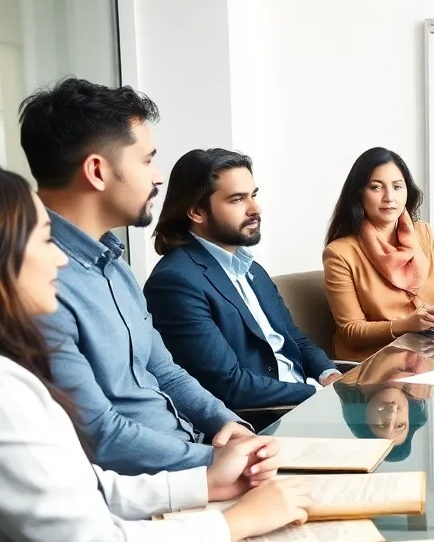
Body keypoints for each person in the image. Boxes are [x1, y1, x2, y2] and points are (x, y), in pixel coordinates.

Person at [0, 162, 311, 542]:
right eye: (43, 239)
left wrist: (205, 484)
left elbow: (88, 489)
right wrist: (233, 523)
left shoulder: (7, 369)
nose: (58, 258)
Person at [18, 78, 252, 474]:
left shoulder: (115, 265)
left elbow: (164, 371)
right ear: (97, 171)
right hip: (153, 490)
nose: (158, 177)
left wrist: (228, 423)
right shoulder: (36, 282)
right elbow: (100, 436)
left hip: (195, 458)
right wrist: (216, 463)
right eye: (146, 161)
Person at [143, 149, 340, 423]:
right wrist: (317, 394)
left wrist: (329, 375)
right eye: (237, 199)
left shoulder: (250, 268)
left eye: (253, 195)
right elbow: (230, 386)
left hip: (304, 403)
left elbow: (295, 338)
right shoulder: (176, 282)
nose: (255, 209)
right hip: (266, 421)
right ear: (197, 211)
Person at [323, 147, 434, 362]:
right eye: (376, 187)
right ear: (359, 194)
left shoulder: (423, 234)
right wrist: (408, 324)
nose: (389, 197)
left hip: (425, 353)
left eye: (397, 187)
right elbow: (351, 331)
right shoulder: (340, 253)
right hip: (372, 364)